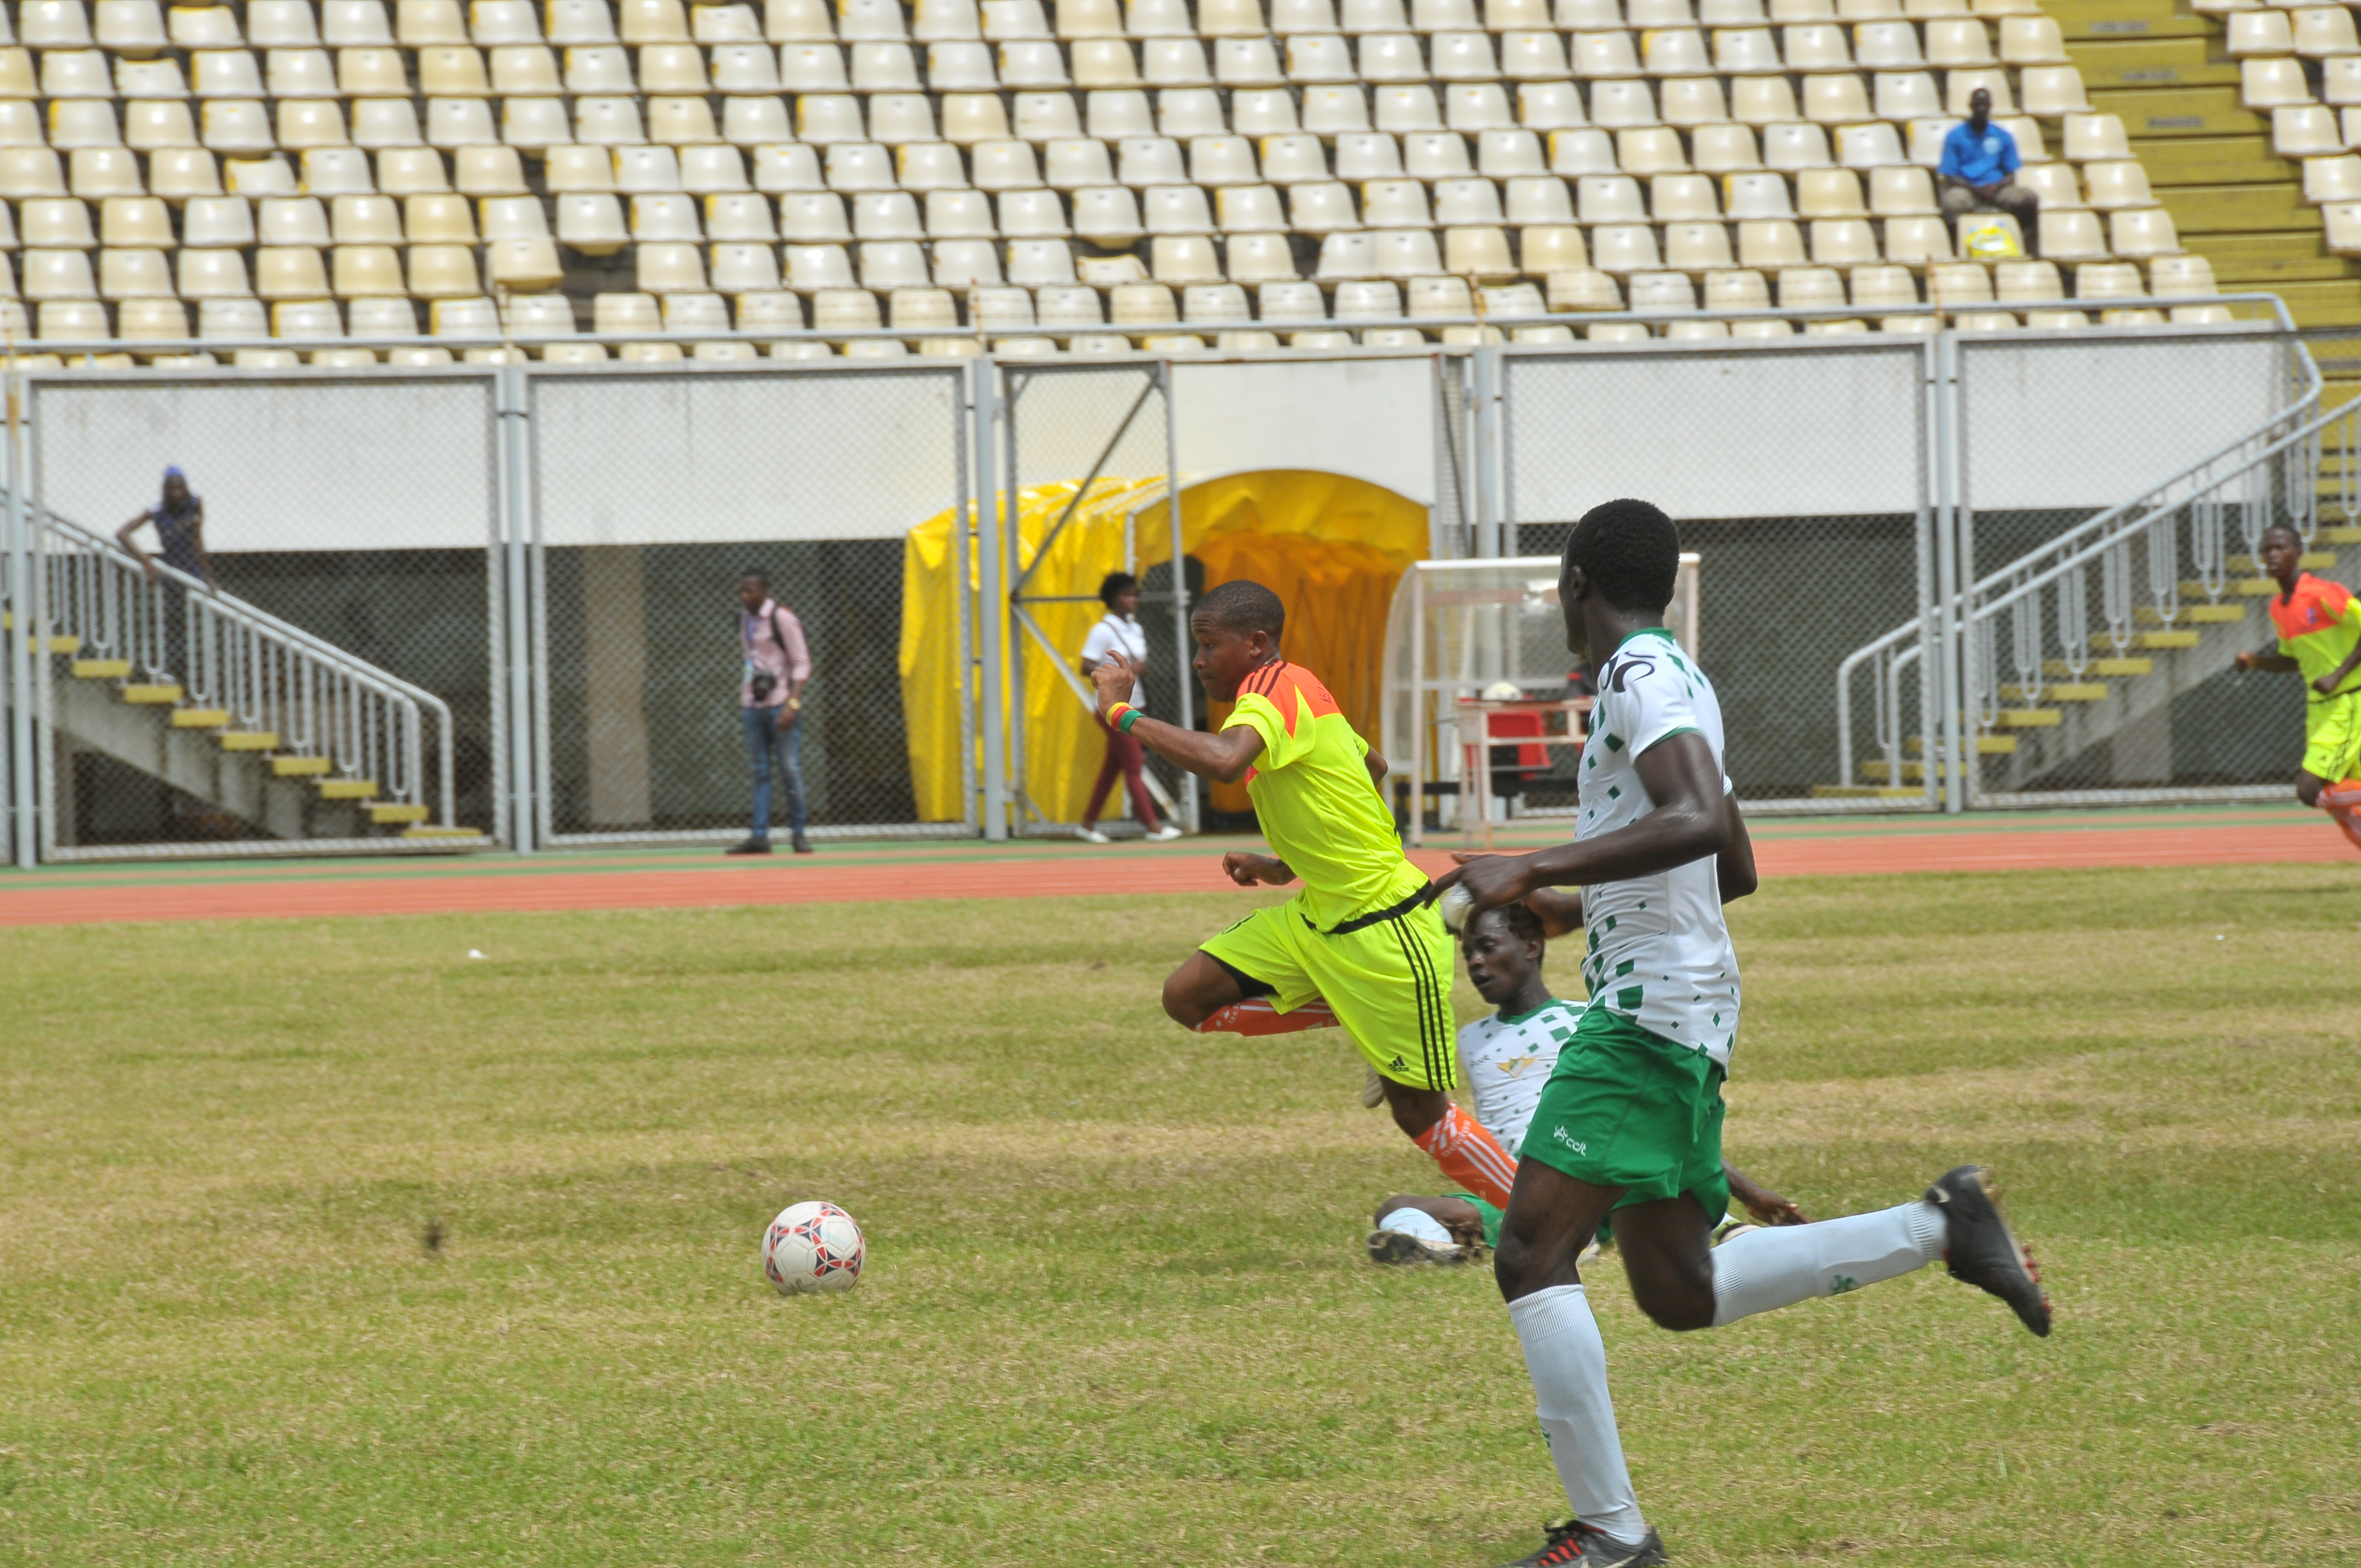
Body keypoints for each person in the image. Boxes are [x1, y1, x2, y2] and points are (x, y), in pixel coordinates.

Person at [1437, 499, 2050, 1568]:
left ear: (1576, 583)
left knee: (1530, 1249)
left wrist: (1532, 864)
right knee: (1678, 1290)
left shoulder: (1636, 673)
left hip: (1643, 1014)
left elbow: (1694, 820)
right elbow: (1735, 863)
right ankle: (1938, 1224)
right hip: (1679, 1004)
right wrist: (1576, 905)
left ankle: (1609, 1534)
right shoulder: (1676, 677)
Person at [1086, 580, 1524, 1211]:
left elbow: (1225, 761)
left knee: (1420, 1115)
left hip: (1385, 924)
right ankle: (1353, 1009)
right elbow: (1368, 766)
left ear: (1255, 642)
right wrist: (1284, 863)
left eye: (1208, 645)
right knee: (1187, 997)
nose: (1200, 660)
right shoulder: (1295, 689)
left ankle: (1545, 1221)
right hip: (1321, 915)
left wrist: (1121, 714)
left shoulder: (1273, 688)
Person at [1369, 891, 1805, 1268]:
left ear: (1531, 946)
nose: (1475, 963)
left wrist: (1750, 1192)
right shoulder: (1469, 1038)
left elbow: (1656, 1122)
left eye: (1487, 947)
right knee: (1394, 1208)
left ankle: (1724, 1226)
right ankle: (1442, 1246)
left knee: (1637, 1164)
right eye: (1468, 954)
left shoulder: (1587, 1021)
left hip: (1580, 1178)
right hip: (1511, 1190)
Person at [2234, 522, 2361, 847]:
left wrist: (2338, 675)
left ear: (2298, 553)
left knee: (2311, 791)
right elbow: (2292, 660)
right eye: (2267, 549)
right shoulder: (2278, 607)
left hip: (2347, 703)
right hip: (2320, 711)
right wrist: (2256, 662)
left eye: (2281, 547)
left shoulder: (2321, 593)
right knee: (2341, 800)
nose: (2273, 554)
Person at [1076, 571, 1182, 845]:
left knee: (1114, 767)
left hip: (1136, 703)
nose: (1133, 600)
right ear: (1113, 598)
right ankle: (1152, 826)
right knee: (1134, 764)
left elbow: (1138, 664)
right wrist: (1114, 672)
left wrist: (1138, 669)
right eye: (1127, 595)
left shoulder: (1135, 628)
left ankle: (1088, 823)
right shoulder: (1103, 630)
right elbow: (1085, 665)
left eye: (1136, 595)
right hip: (1111, 707)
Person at [727, 569, 813, 857]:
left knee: (789, 769)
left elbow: (802, 663)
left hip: (781, 705)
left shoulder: (782, 618)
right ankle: (759, 836)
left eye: (751, 591)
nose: (745, 596)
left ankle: (798, 834)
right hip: (753, 705)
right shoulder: (743, 619)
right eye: (742, 591)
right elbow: (750, 658)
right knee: (759, 771)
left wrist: (793, 704)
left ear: (765, 592)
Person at [115, 466, 216, 684]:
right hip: (171, 568)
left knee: (198, 622)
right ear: (165, 490)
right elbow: (123, 533)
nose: (177, 493)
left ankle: (196, 677)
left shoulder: (195, 503)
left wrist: (208, 575)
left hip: (192, 567)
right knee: (175, 622)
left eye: (181, 488)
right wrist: (146, 560)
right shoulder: (156, 511)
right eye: (172, 488)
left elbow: (197, 539)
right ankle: (175, 672)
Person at [1938, 88, 2040, 252]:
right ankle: (1957, 248)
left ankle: (2027, 247)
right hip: (1968, 190)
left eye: (1985, 105)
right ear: (1971, 106)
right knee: (1951, 202)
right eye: (1978, 105)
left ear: (1990, 106)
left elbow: (2011, 174)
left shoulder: (2003, 136)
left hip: (1997, 190)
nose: (1981, 109)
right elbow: (1951, 175)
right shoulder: (1955, 136)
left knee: (2028, 199)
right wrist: (1977, 190)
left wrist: (1996, 187)